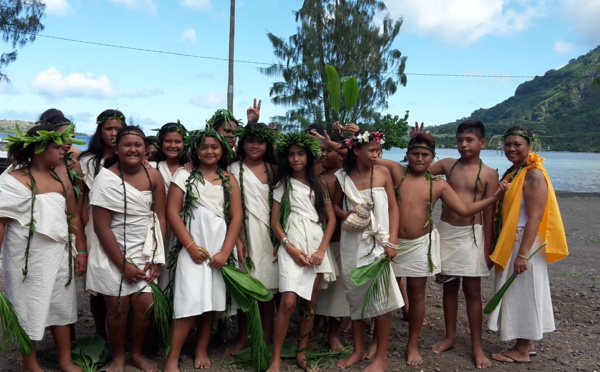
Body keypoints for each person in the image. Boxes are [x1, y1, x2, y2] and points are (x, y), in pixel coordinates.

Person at [378, 133, 507, 366]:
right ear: (407, 155)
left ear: (432, 158)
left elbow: (465, 209)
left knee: (418, 295)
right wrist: (348, 139)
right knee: (387, 294)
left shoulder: (438, 183)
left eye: (425, 155)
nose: (419, 158)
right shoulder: (398, 172)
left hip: (421, 245)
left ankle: (413, 345)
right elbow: (368, 156)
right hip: (394, 243)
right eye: (415, 154)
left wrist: (494, 198)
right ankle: (379, 348)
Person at [0, 124, 87, 372]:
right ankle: (30, 361)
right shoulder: (13, 180)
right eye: (57, 148)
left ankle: (65, 359)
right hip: (27, 258)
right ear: (39, 148)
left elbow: (74, 217)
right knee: (29, 305)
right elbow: (2, 221)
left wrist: (81, 251)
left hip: (59, 254)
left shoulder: (61, 178)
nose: (64, 152)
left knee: (61, 305)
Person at [89, 126, 166, 372]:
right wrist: (123, 264)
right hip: (112, 250)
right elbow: (102, 227)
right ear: (117, 148)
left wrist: (156, 257)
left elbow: (161, 217)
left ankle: (137, 354)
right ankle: (119, 356)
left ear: (145, 149)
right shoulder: (105, 178)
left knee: (146, 305)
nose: (132, 149)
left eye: (138, 145)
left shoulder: (154, 176)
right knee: (118, 307)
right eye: (126, 145)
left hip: (145, 248)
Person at [488, 126, 568, 364]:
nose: (511, 148)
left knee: (521, 292)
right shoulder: (515, 171)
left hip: (524, 241)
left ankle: (522, 350)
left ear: (529, 146)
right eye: (508, 144)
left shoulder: (533, 174)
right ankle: (526, 343)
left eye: (517, 144)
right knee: (519, 291)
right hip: (514, 238)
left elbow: (535, 217)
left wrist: (523, 255)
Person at [164, 129, 242, 371]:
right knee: (189, 299)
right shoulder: (183, 176)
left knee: (211, 300)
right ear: (195, 150)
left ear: (223, 151)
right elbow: (172, 212)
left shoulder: (230, 179)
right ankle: (172, 357)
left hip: (219, 247)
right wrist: (190, 246)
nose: (209, 151)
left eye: (215, 147)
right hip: (192, 246)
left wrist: (226, 251)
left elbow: (237, 216)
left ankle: (201, 348)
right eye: (204, 147)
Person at [423, 120, 498, 369]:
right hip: (446, 231)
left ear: (482, 143)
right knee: (449, 288)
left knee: (473, 292)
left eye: (469, 140)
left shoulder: (489, 174)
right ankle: (451, 336)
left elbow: (489, 214)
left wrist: (488, 248)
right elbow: (416, 170)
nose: (463, 145)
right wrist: (422, 142)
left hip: (472, 235)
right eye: (459, 140)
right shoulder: (446, 165)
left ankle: (477, 346)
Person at [332, 130, 403, 372]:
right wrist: (346, 214)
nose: (376, 155)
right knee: (355, 296)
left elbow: (394, 208)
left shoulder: (383, 173)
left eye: (378, 151)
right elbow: (334, 206)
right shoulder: (342, 177)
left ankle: (380, 356)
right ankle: (358, 350)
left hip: (380, 244)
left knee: (381, 299)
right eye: (372, 151)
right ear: (356, 150)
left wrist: (392, 242)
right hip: (352, 243)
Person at [267, 132, 336, 372]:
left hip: (316, 245)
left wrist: (321, 250)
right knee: (287, 302)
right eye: (291, 154)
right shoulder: (282, 185)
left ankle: (301, 353)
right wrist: (290, 248)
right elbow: (275, 223)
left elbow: (331, 220)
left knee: (309, 302)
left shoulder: (320, 185)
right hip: (292, 245)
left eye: (301, 154)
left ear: (309, 156)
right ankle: (275, 358)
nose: (296, 159)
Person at [225, 122, 279, 354]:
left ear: (268, 145)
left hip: (270, 237)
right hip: (244, 234)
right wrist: (236, 238)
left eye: (261, 141)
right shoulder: (232, 168)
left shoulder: (275, 169)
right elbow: (227, 207)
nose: (255, 145)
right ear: (242, 143)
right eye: (251, 140)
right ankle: (244, 338)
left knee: (267, 289)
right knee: (245, 290)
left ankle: (265, 338)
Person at [79, 109, 126, 339]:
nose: (114, 133)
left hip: (125, 225)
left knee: (124, 277)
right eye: (109, 128)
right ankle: (100, 334)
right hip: (94, 227)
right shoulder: (88, 162)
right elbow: (80, 200)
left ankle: (123, 333)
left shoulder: (130, 159)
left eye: (118, 128)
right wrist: (88, 229)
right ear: (100, 131)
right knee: (97, 281)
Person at [313, 137, 350, 352]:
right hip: (318, 243)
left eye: (329, 150)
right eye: (321, 151)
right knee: (318, 290)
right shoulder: (316, 177)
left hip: (342, 241)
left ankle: (333, 334)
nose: (324, 154)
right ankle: (313, 330)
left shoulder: (348, 176)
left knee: (339, 292)